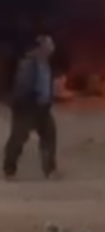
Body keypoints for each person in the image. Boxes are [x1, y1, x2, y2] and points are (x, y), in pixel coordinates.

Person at [3, 35, 58, 179]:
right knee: (18, 138)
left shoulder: (46, 64)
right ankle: (9, 168)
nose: (51, 48)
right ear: (40, 48)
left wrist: (49, 99)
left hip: (43, 108)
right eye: (48, 45)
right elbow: (23, 86)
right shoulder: (28, 64)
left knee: (49, 135)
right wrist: (26, 102)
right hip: (27, 108)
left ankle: (50, 170)